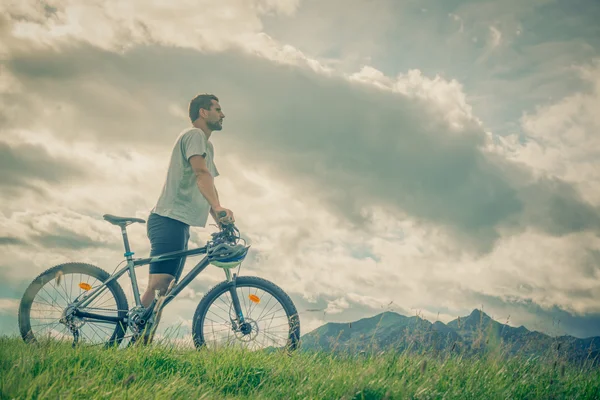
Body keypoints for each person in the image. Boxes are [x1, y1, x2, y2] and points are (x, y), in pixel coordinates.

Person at [141, 93, 234, 309]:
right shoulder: (194, 135)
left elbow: (207, 183)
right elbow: (200, 173)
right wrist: (218, 208)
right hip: (167, 219)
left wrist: (218, 216)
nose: (223, 114)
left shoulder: (207, 146)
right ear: (203, 112)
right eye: (217, 110)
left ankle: (141, 343)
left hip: (179, 223)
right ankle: (128, 333)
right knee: (158, 285)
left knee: (166, 290)